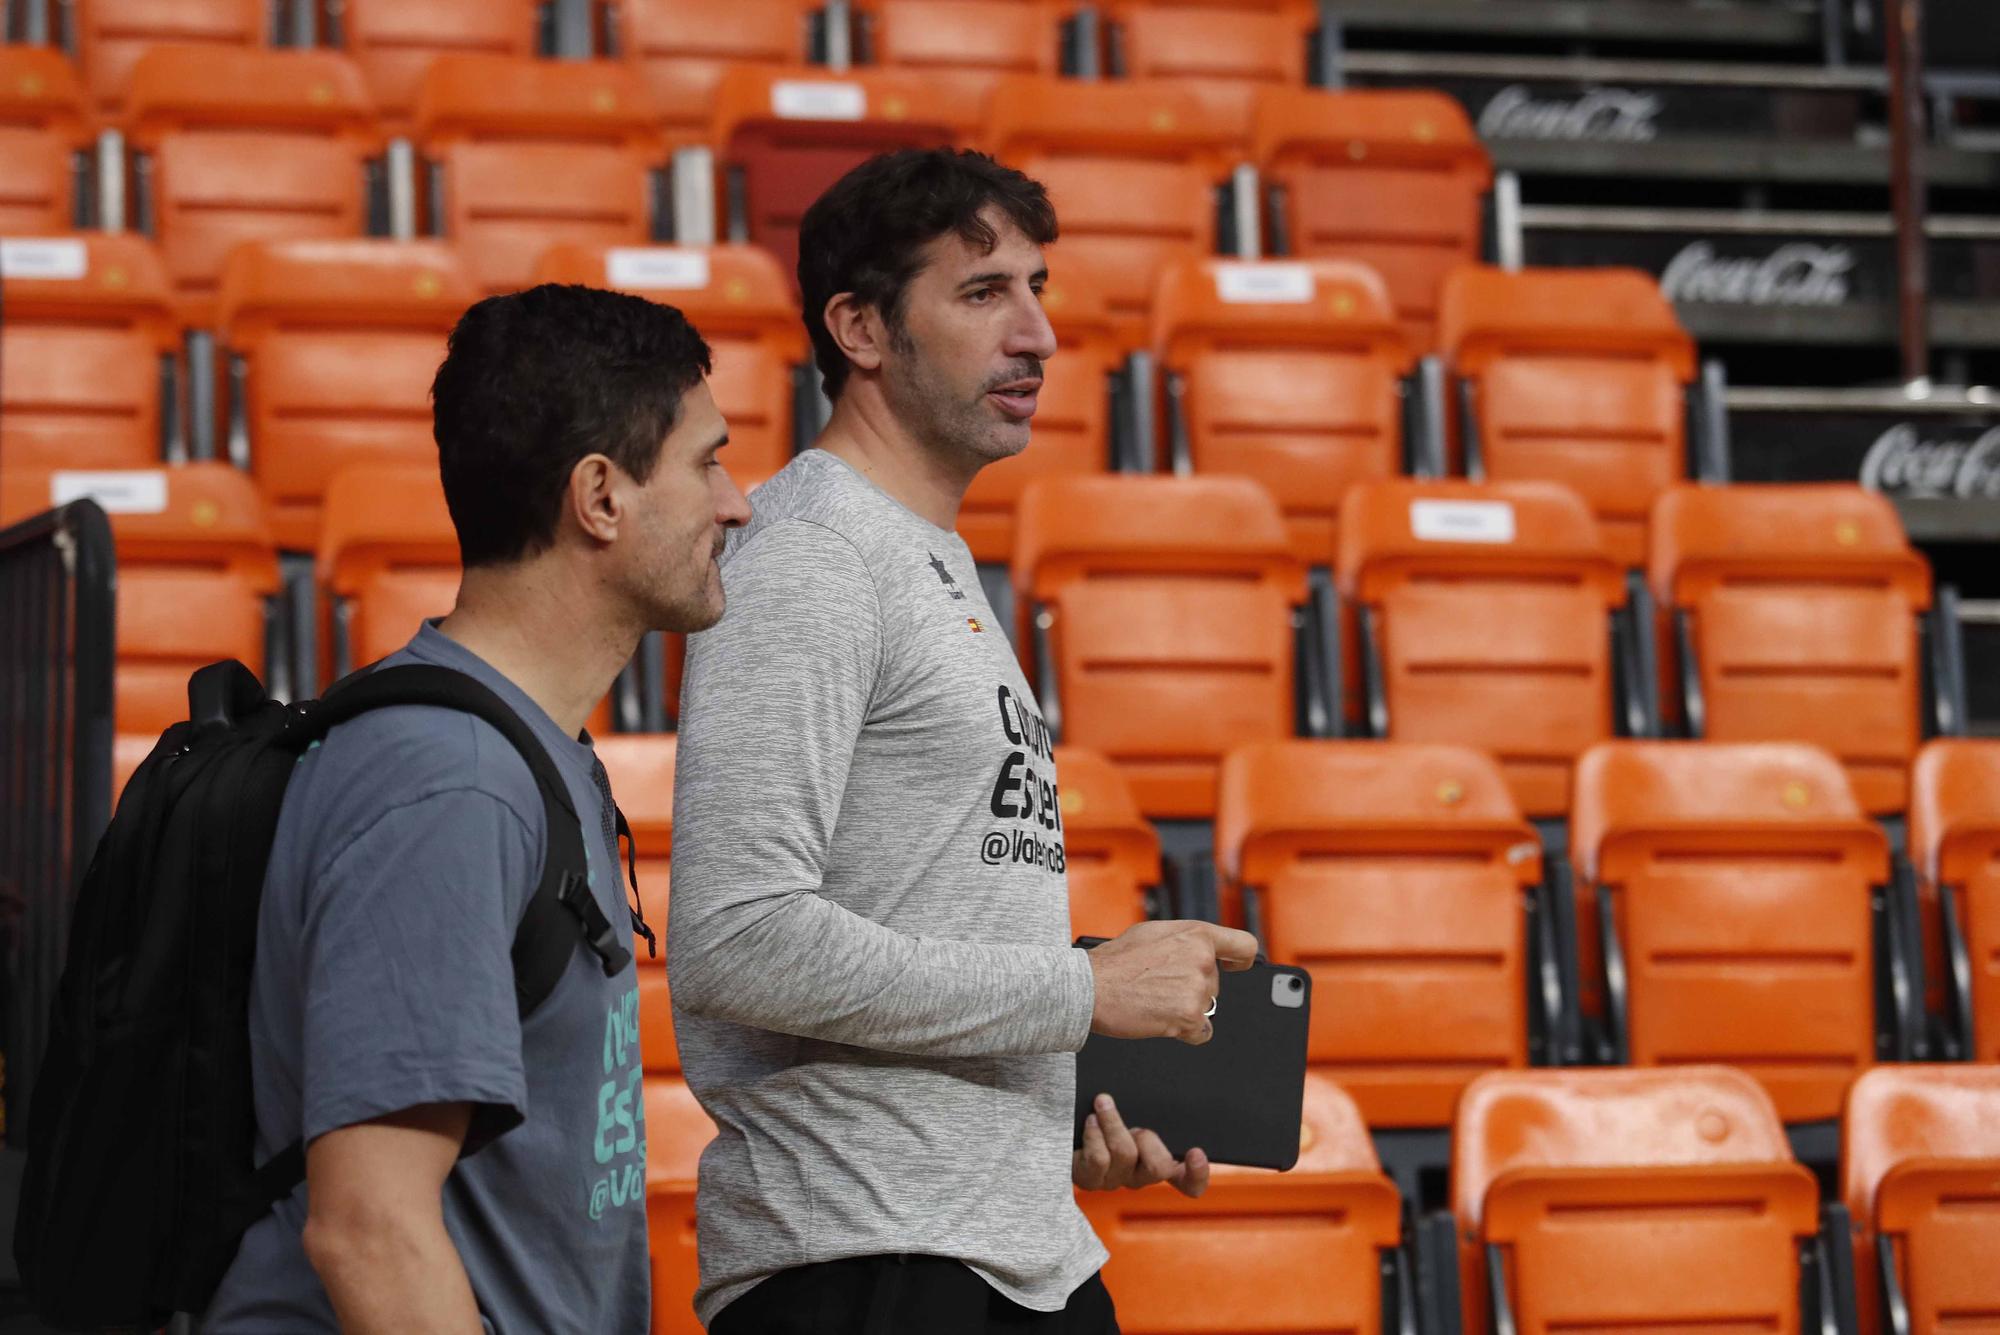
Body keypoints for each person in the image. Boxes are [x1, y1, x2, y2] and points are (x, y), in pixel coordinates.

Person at [669, 148, 1260, 1334]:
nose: (1037, 334)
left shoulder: (925, 553)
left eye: (1037, 288)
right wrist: (1082, 989)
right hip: (864, 1260)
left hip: (1006, 1246)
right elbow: (735, 940)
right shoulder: (810, 555)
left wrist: (1057, 1110)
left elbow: (922, 922)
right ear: (859, 328)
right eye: (983, 293)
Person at [202, 284, 750, 1333]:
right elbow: (370, 1231)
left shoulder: (519, 751)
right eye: (705, 460)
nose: (736, 503)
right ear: (600, 497)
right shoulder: (446, 785)